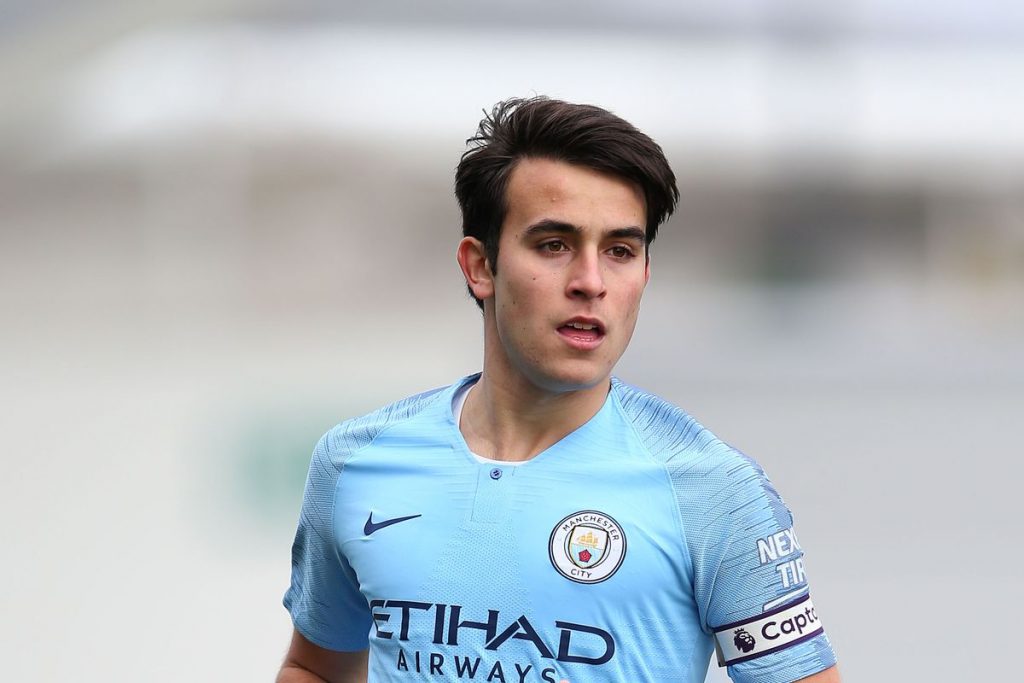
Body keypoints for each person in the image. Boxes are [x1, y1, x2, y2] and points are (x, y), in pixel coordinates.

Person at [278, 97, 840, 683]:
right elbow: (315, 668)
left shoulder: (713, 490)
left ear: (644, 274)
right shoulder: (355, 462)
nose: (591, 282)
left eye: (620, 251)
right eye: (554, 245)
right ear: (480, 266)